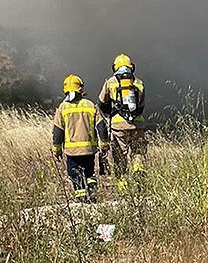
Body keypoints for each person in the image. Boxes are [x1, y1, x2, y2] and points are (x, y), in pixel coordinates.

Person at [52, 74, 109, 202]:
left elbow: (58, 131)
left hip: (72, 152)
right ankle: (93, 196)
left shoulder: (63, 108)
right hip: (89, 150)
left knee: (75, 175)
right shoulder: (90, 105)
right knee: (90, 174)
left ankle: (81, 200)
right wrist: (104, 144)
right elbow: (101, 127)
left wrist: (57, 149)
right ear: (80, 89)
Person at [98, 54, 146, 191]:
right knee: (138, 152)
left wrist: (111, 114)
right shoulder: (139, 83)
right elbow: (141, 105)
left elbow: (101, 102)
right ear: (132, 67)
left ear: (115, 67)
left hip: (118, 125)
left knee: (120, 155)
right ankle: (138, 174)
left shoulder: (111, 82)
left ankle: (123, 187)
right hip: (138, 124)